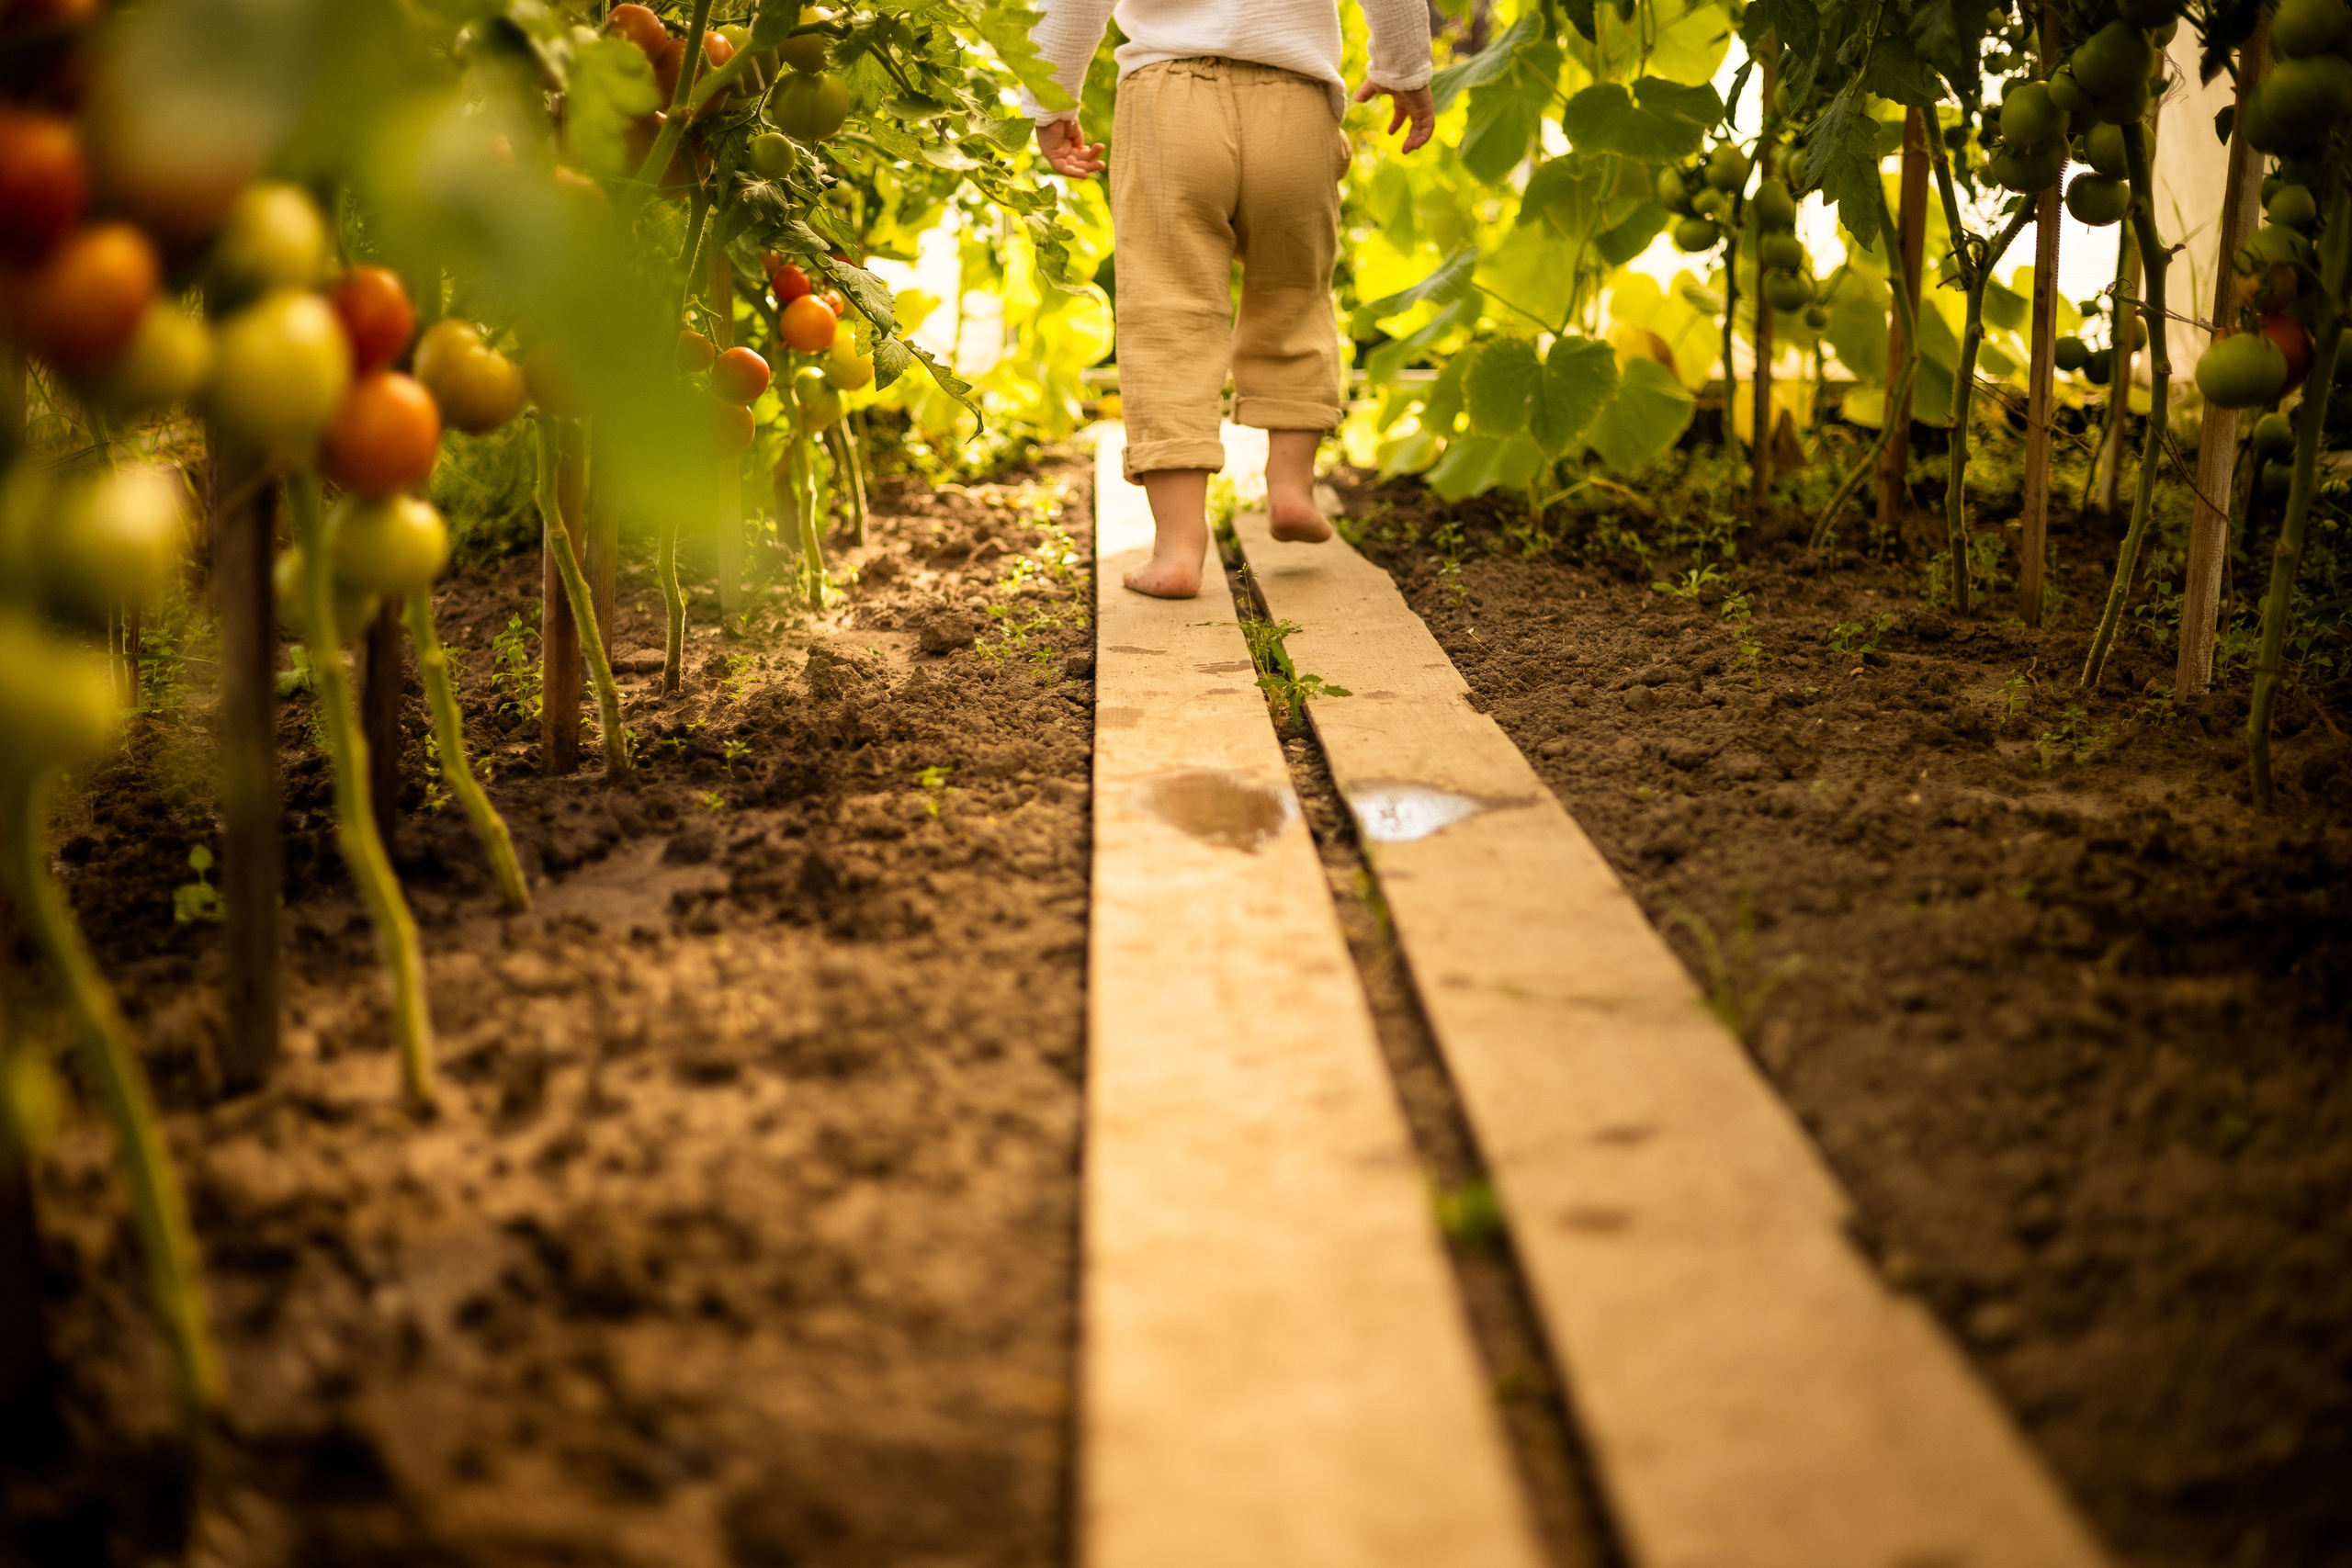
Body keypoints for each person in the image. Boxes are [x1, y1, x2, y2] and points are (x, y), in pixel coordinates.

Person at [1022, 1, 1438, 598]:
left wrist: (1051, 100)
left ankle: (1177, 550)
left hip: (1168, 96)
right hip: (1295, 99)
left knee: (1168, 309)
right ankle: (1293, 488)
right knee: (1295, 292)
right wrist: (1404, 70)